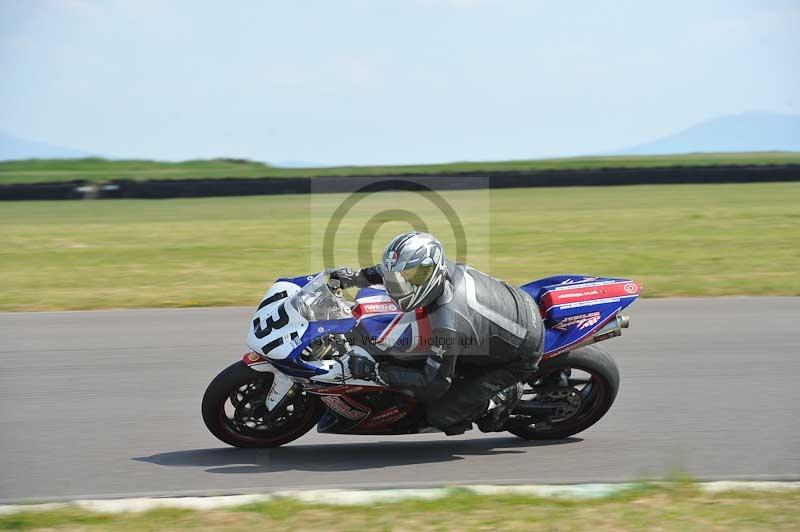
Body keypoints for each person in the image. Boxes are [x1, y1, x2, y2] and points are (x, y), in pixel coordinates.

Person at [330, 231, 543, 434]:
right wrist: (357, 277)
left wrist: (376, 371)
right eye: (398, 278)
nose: (398, 286)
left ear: (430, 272)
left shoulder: (447, 324)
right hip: (512, 308)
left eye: (407, 279)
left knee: (441, 415)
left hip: (520, 351)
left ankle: (503, 395)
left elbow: (433, 384)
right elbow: (394, 270)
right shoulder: (437, 269)